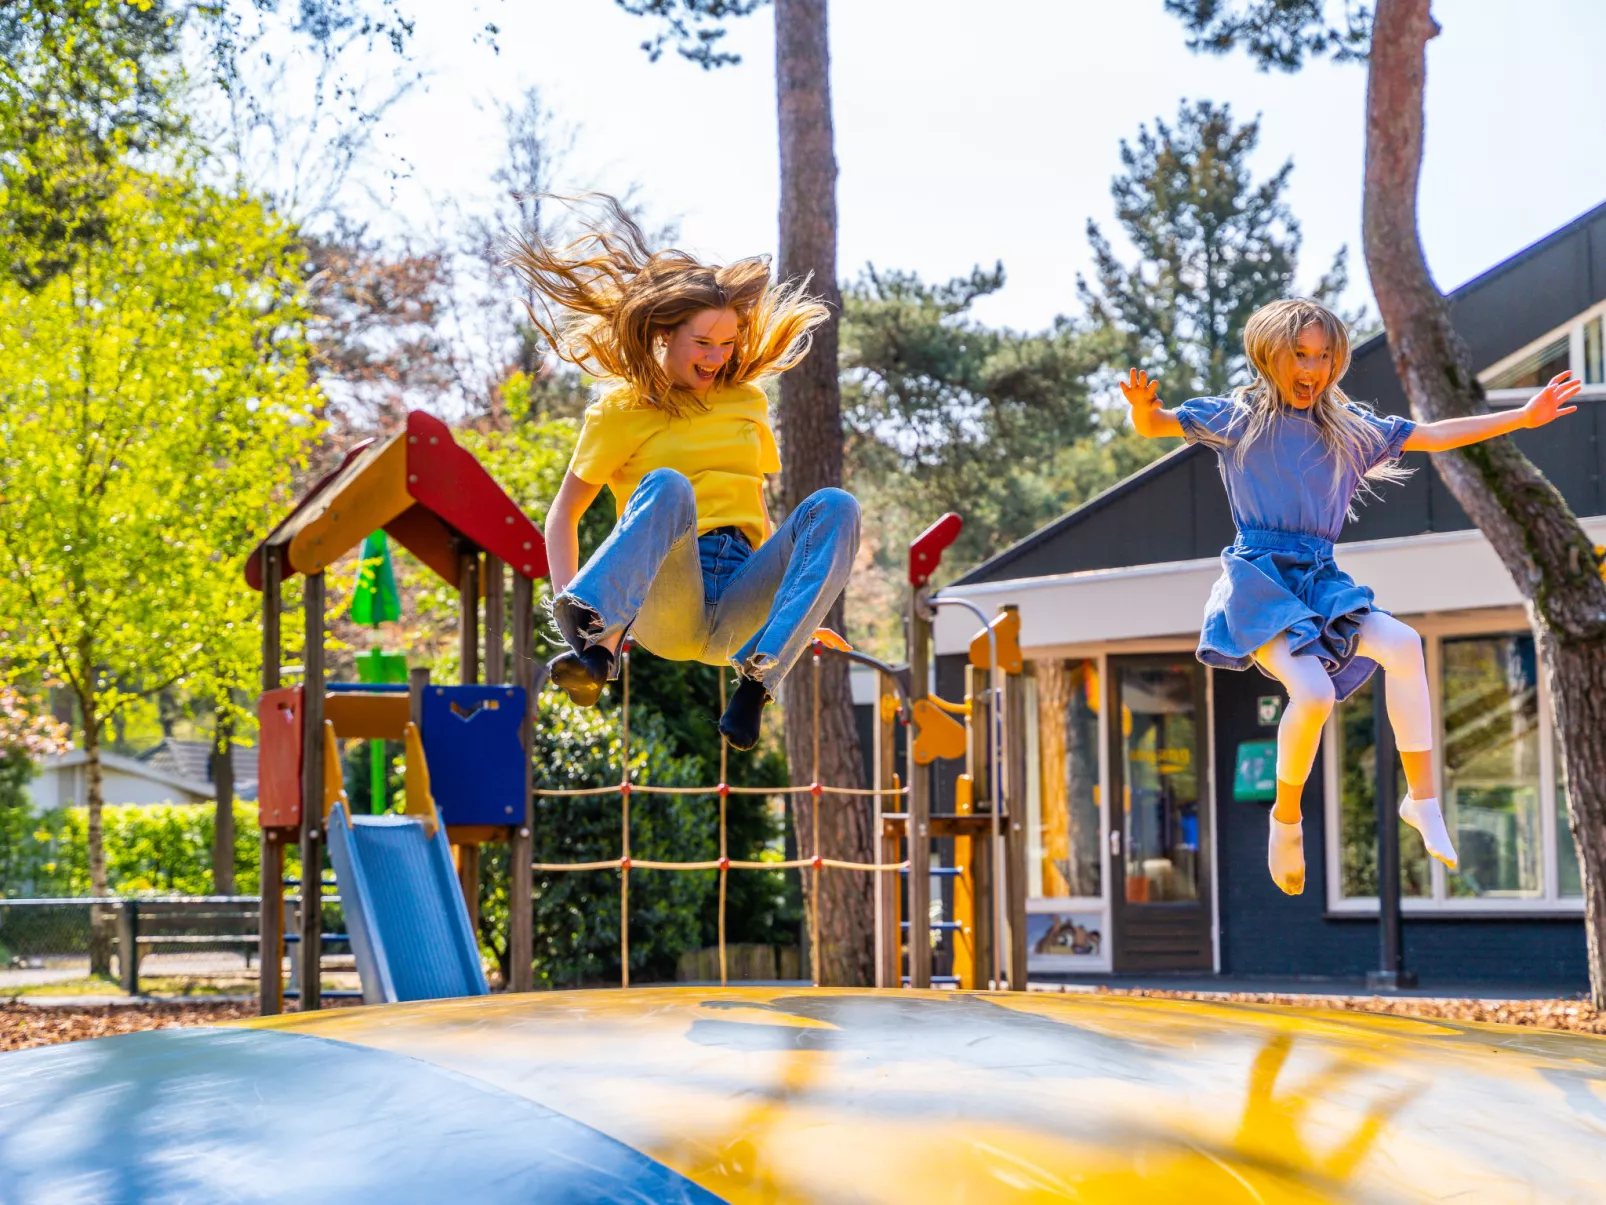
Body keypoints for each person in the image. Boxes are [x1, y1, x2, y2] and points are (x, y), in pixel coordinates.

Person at [1120, 298, 1581, 895]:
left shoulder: (1349, 429)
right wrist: (1142, 409)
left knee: (1404, 643)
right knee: (1311, 693)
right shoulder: (1238, 419)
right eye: (1300, 355)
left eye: (1325, 356)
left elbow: (1437, 436)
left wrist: (1521, 417)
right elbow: (1157, 426)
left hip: (1319, 579)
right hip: (1261, 581)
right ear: (1268, 356)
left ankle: (1422, 801)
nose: (1312, 368)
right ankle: (1285, 821)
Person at [507, 198, 860, 751]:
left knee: (836, 505)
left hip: (744, 595)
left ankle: (757, 684)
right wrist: (569, 607)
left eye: (727, 342)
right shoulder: (620, 411)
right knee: (669, 484)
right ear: (666, 335)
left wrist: (797, 608)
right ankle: (595, 647)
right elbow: (563, 516)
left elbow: (759, 513)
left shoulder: (747, 402)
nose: (718, 356)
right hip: (672, 598)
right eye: (703, 343)